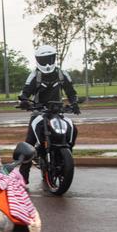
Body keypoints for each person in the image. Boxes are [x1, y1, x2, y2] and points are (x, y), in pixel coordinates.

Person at [18, 45, 79, 183]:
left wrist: (74, 103)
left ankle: (65, 155)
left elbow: (71, 92)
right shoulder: (35, 75)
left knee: (72, 129)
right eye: (43, 60)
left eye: (49, 59)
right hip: (39, 112)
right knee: (29, 142)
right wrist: (24, 101)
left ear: (54, 58)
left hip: (57, 111)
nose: (47, 63)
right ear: (38, 60)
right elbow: (25, 92)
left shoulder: (62, 74)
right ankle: (23, 177)